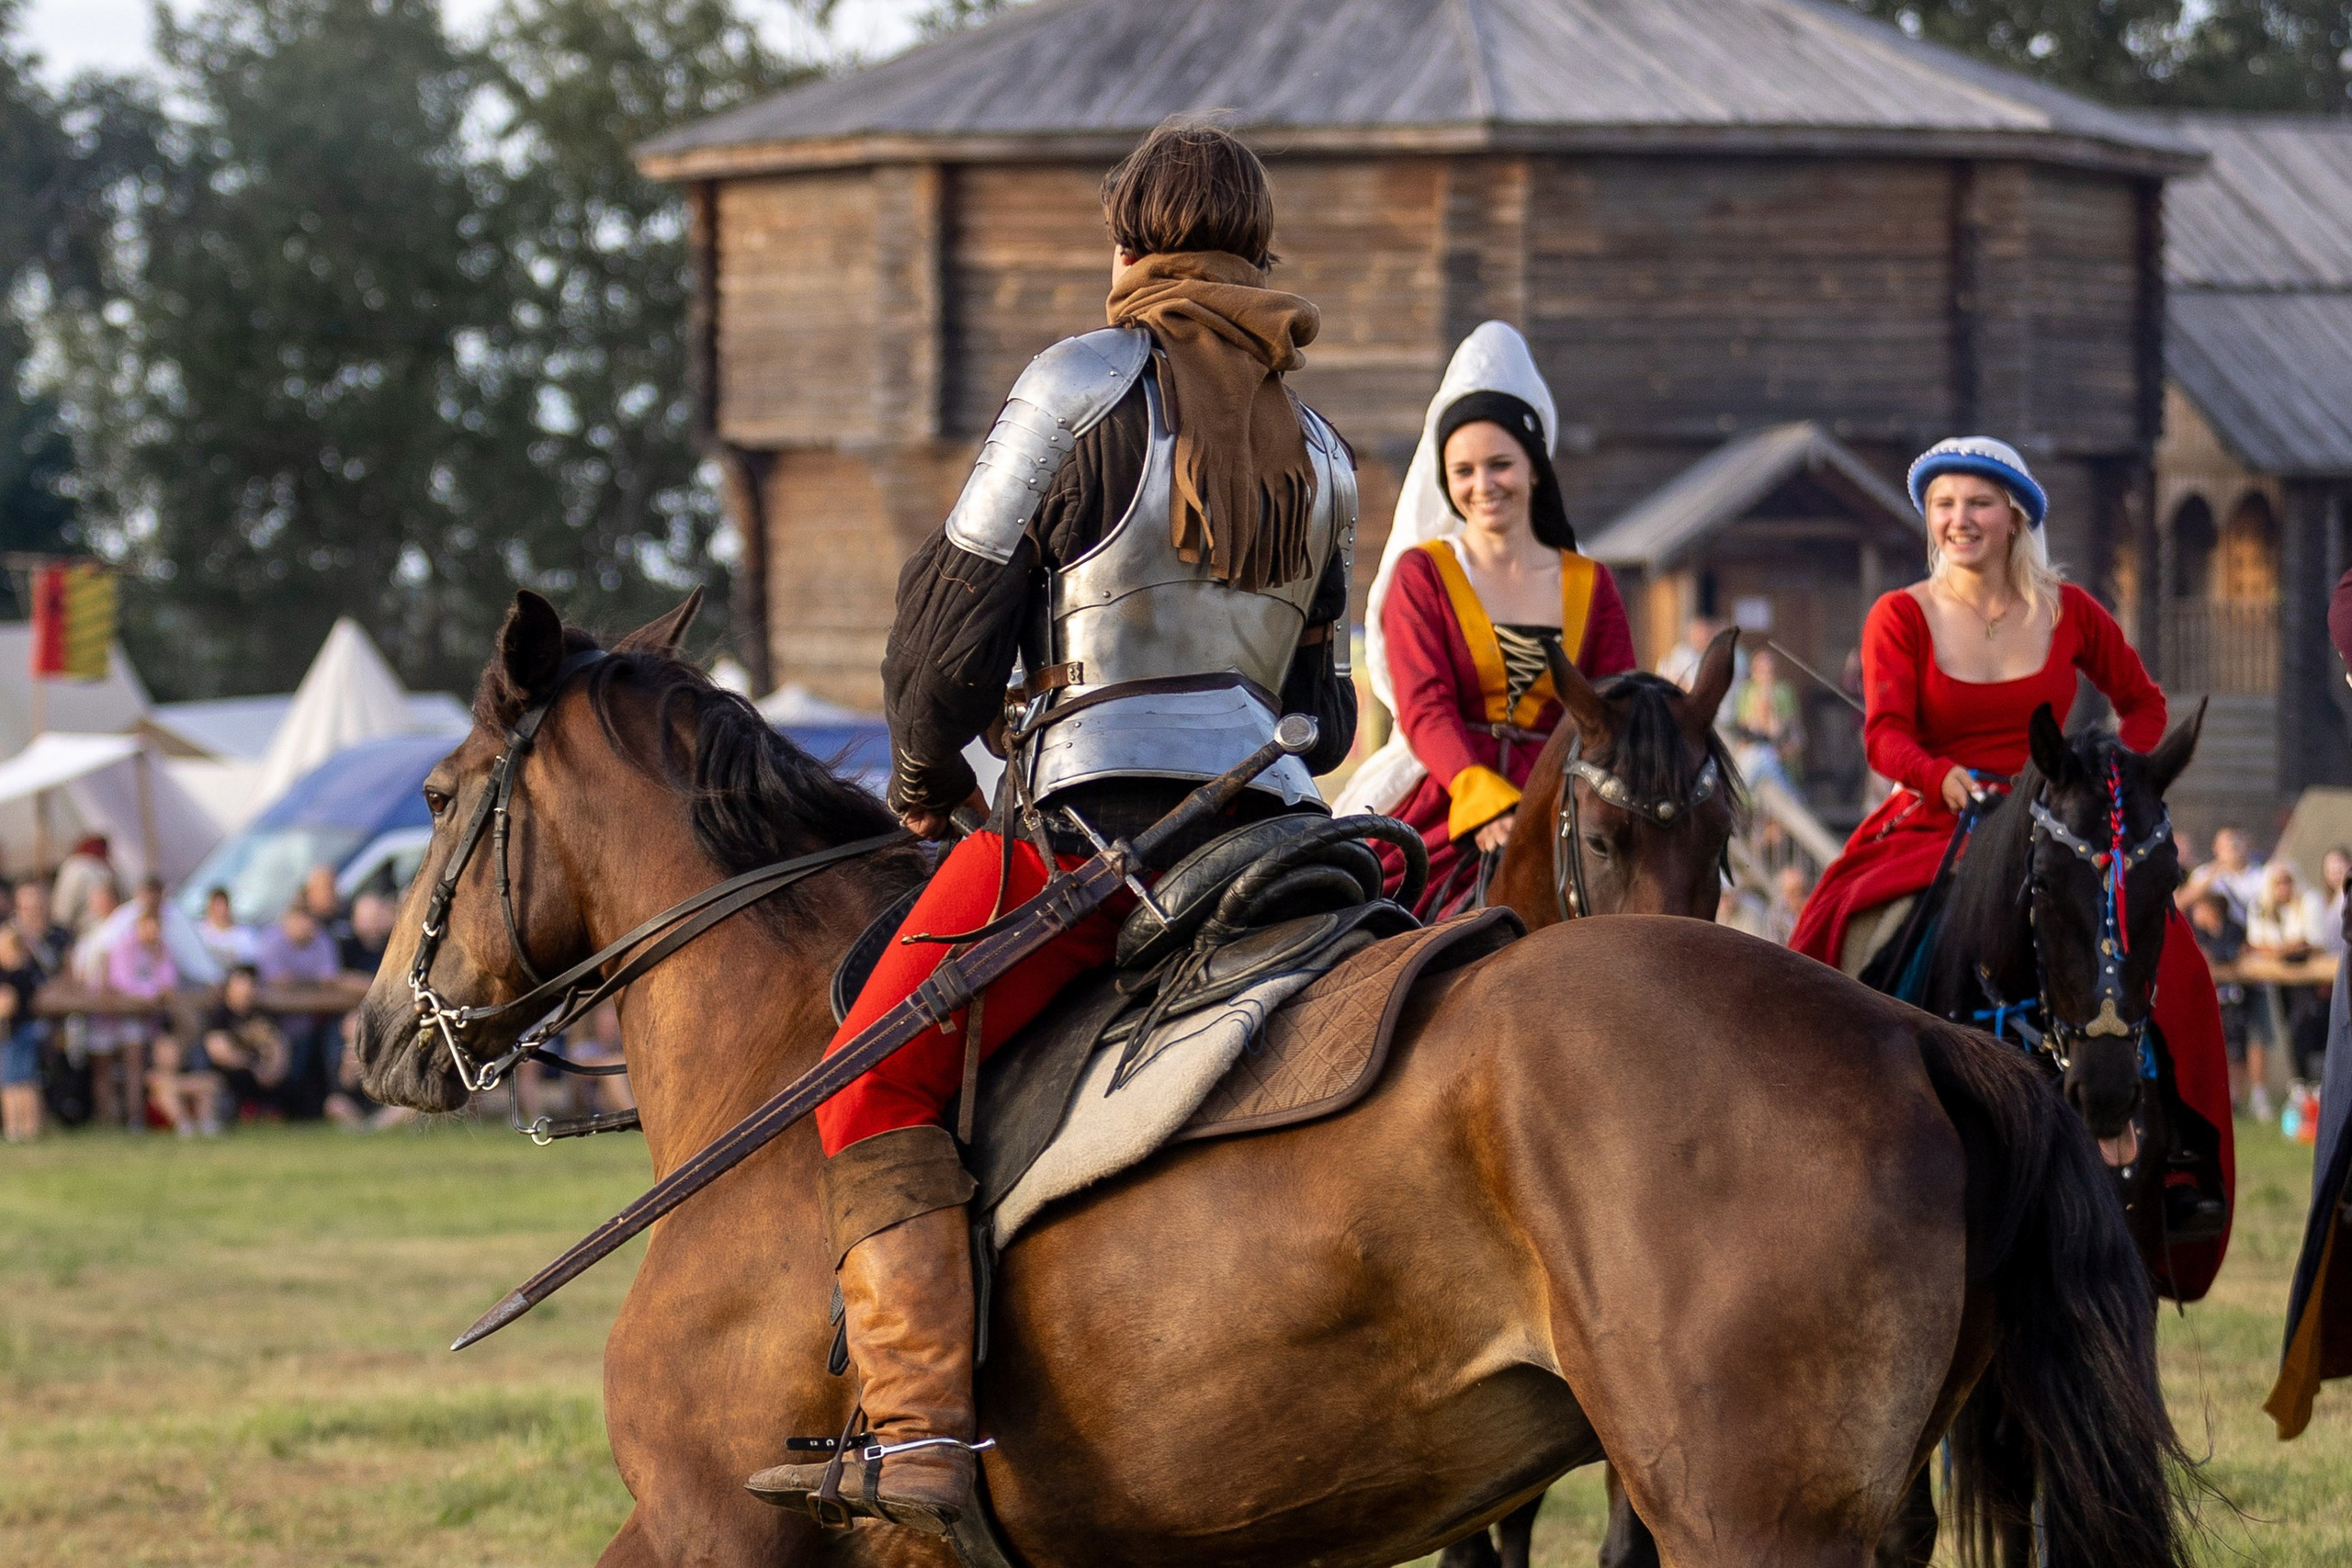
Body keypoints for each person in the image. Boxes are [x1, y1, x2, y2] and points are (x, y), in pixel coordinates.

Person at [742, 120, 1358, 1533]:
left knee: (872, 1072)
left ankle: (916, 1440)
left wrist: (919, 774)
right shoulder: (1324, 450)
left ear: (1131, 240)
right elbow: (1318, 703)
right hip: (1279, 833)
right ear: (1256, 248)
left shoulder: (1082, 384)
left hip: (1100, 832)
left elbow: (945, 637)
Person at [1788, 436, 2232, 1255]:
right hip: (1940, 816)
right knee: (1849, 934)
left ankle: (2178, 1155)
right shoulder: (1901, 613)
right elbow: (1884, 733)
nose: (1959, 519)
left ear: (2016, 514)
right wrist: (1941, 776)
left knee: (2170, 948)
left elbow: (2143, 704)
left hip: (2058, 821)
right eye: (1945, 504)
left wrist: (2107, 782)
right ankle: (1822, 1127)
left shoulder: (2070, 610)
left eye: (1978, 503)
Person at [1335, 321, 1636, 915]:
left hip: (1568, 811)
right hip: (1449, 800)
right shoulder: (1423, 575)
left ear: (1532, 467)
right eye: (1463, 471)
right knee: (1351, 929)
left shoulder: (1590, 584)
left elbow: (1614, 708)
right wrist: (1480, 794)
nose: (1482, 485)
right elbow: (1425, 705)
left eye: (1499, 464)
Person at [255, 905, 345, 1120]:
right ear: (288, 922)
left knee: (334, 1041)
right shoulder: (272, 942)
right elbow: (277, 984)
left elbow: (329, 980)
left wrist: (298, 984)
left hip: (316, 1021)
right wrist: (312, 985)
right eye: (301, 922)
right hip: (278, 1021)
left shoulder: (321, 939)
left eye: (310, 923)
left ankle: (332, 1101)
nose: (307, 928)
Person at [2187, 891, 2256, 1111]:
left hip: (2234, 997)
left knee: (2236, 1046)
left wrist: (2215, 956)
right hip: (2207, 999)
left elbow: (2230, 953)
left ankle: (2235, 1096)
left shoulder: (2233, 928)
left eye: (2200, 909)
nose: (2196, 914)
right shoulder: (2196, 932)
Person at [198, 965, 289, 1120]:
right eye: (242, 984)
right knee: (234, 1078)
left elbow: (279, 1043)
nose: (247, 989)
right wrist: (253, 1067)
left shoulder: (262, 1014)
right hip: (233, 1076)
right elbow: (219, 1052)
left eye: (250, 984)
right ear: (229, 987)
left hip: (264, 1075)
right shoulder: (219, 1015)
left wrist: (274, 1070)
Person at [1725, 646, 1804, 792]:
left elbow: (1784, 731)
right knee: (1757, 757)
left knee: (1765, 759)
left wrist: (1770, 706)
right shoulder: (1746, 691)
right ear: (1753, 671)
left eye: (1769, 671)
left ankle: (1736, 795)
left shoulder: (1783, 691)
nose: (1765, 675)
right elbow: (1747, 729)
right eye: (1760, 670)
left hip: (1778, 754)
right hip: (1755, 751)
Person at [0, 924, 43, 1141]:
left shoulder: (10, 976)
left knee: (13, 1083)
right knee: (25, 1080)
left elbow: (7, 1005)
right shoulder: (28, 974)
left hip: (13, 1033)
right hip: (27, 1030)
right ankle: (29, 1127)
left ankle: (16, 1128)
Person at [51, 835, 115, 934]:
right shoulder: (79, 867)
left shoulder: (76, 867)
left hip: (93, 927)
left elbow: (64, 906)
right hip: (93, 926)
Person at [196, 886, 256, 971]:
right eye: (215, 905)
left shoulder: (243, 934)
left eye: (221, 905)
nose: (219, 910)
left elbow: (249, 964)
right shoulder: (197, 930)